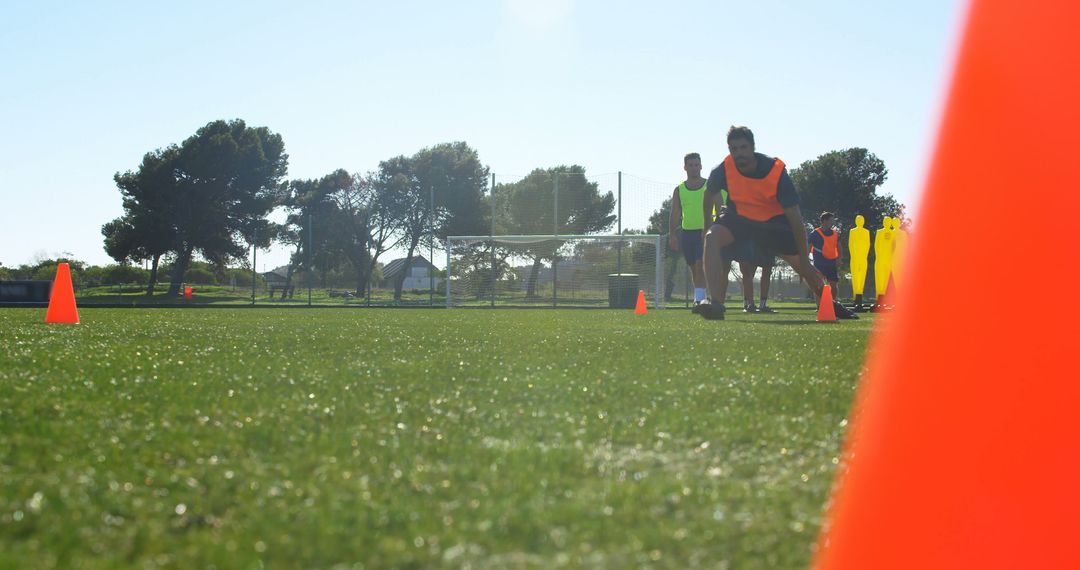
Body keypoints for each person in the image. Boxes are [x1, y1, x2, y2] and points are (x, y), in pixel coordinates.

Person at [697, 125, 857, 320]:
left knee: (802, 266)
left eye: (743, 147)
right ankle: (715, 305)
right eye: (734, 149)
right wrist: (706, 227)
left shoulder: (775, 171)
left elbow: (796, 219)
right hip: (739, 219)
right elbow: (707, 197)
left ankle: (830, 304)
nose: (739, 153)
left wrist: (805, 260)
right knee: (711, 238)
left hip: (772, 224)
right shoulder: (723, 169)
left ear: (753, 147)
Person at [667, 152, 709, 310]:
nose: (694, 168)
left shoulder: (709, 186)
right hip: (687, 233)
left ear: (701, 166)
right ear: (685, 167)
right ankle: (701, 296)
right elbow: (675, 213)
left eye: (696, 165)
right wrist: (672, 235)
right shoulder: (679, 189)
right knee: (693, 267)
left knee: (700, 265)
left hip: (704, 232)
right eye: (690, 165)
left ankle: (700, 300)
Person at [809, 212, 841, 295]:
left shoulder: (835, 233)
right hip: (819, 263)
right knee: (819, 285)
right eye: (831, 220)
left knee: (834, 285)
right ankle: (819, 305)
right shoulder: (814, 234)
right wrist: (807, 261)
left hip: (832, 263)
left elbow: (839, 246)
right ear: (824, 221)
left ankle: (833, 304)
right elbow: (808, 247)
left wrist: (839, 258)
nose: (833, 222)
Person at [848, 214, 872, 310]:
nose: (860, 222)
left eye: (861, 220)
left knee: (862, 278)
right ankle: (855, 299)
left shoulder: (866, 232)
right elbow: (851, 244)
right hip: (855, 258)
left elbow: (867, 244)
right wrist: (854, 256)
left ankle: (859, 298)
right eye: (858, 220)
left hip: (863, 258)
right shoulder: (852, 231)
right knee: (855, 278)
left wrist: (864, 256)